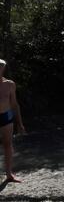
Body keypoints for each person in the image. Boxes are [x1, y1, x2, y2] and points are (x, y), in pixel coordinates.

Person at [0, 59, 25, 193]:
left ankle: (9, 174)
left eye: (0, 66)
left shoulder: (9, 84)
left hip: (6, 116)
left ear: (3, 68)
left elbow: (14, 104)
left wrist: (20, 123)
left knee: (8, 144)